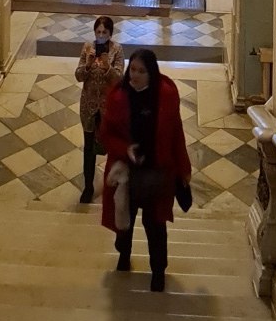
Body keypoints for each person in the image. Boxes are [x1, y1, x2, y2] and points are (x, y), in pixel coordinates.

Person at [98, 48, 191, 293]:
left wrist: (184, 168)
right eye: (133, 70)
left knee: (156, 226)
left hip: (158, 172)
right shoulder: (119, 96)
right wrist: (125, 148)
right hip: (127, 174)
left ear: (152, 73)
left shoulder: (166, 95)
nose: (135, 75)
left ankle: (158, 272)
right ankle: (123, 256)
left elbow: (176, 133)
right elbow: (106, 134)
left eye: (141, 71)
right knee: (123, 222)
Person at [75, 15, 124, 204]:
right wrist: (87, 65)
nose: (101, 35)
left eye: (105, 32)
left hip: (108, 108)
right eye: (98, 32)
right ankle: (88, 186)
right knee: (88, 147)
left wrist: (107, 67)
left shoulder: (117, 50)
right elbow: (78, 76)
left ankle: (114, 183)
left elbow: (119, 79)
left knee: (112, 146)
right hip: (89, 106)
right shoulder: (88, 48)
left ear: (110, 34)